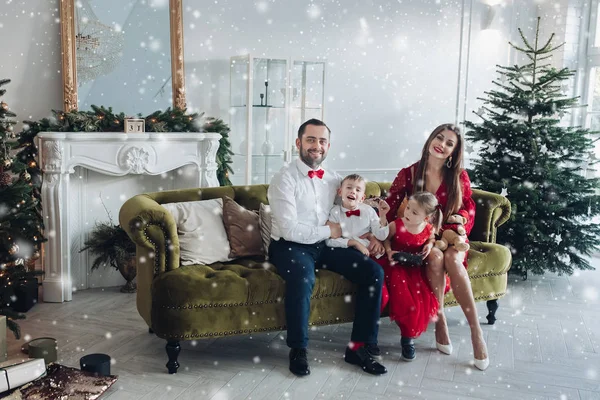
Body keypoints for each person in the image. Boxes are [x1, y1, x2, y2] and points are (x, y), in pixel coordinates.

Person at [268, 119, 387, 377]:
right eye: (311, 140)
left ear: (328, 146)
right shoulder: (283, 179)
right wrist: (329, 231)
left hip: (326, 245)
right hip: (291, 246)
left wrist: (374, 234)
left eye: (322, 141)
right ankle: (298, 348)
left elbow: (353, 206)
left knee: (373, 273)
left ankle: (358, 347)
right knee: (303, 277)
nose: (317, 146)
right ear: (298, 143)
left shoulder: (334, 180)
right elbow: (289, 229)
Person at [385, 123, 489, 371]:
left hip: (451, 235)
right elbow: (390, 208)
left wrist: (460, 221)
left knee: (452, 259)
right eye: (439, 138)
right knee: (434, 257)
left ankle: (476, 334)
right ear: (431, 138)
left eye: (449, 143)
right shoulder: (409, 174)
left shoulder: (459, 176)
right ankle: (440, 318)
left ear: (454, 151)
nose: (442, 144)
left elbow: (468, 207)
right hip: (424, 239)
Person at [379, 192, 442, 361]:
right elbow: (385, 239)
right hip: (395, 265)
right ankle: (404, 337)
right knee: (404, 299)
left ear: (426, 218)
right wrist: (389, 250)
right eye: (407, 208)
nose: (407, 213)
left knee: (420, 301)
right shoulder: (396, 224)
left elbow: (431, 238)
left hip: (414, 268)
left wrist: (429, 246)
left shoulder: (428, 228)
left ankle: (408, 339)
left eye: (414, 213)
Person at [326, 174, 391, 314]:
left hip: (373, 255)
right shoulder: (334, 212)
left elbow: (381, 234)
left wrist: (383, 216)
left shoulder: (368, 211)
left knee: (386, 288)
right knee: (377, 287)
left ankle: (373, 316)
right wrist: (353, 242)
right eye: (349, 187)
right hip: (351, 253)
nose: (352, 192)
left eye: (357, 190)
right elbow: (329, 240)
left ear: (362, 197)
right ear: (340, 192)